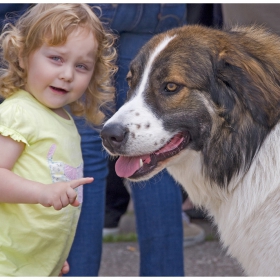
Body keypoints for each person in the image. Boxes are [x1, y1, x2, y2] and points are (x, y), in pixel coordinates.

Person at [0, 3, 116, 276]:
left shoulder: (62, 119)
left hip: (31, 262)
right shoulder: (18, 113)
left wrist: (51, 254)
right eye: (56, 58)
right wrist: (42, 193)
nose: (67, 74)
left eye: (82, 66)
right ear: (23, 55)